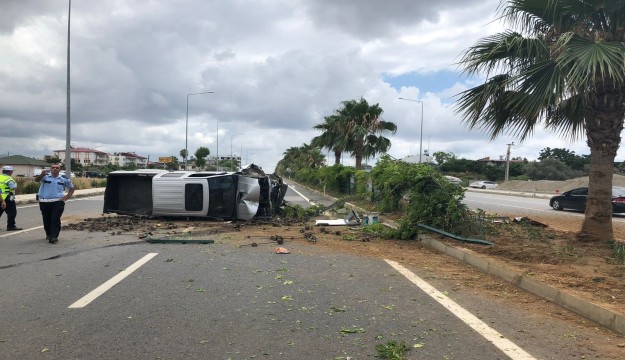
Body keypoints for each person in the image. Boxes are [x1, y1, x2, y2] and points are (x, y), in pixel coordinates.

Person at [35, 164, 75, 244]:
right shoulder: (45, 177)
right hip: (44, 201)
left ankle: (54, 236)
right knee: (46, 219)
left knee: (55, 219)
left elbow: (72, 188)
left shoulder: (63, 178)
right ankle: (48, 234)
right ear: (50, 169)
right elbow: (36, 180)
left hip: (58, 202)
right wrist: (42, 174)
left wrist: (67, 196)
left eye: (57, 168)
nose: (55, 169)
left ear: (60, 170)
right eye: (53, 168)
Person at [0, 166, 22, 231]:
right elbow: (13, 187)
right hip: (7, 197)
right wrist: (16, 185)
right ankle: (11, 226)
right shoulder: (9, 179)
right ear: (10, 172)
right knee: (12, 212)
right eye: (12, 171)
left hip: (0, 197)